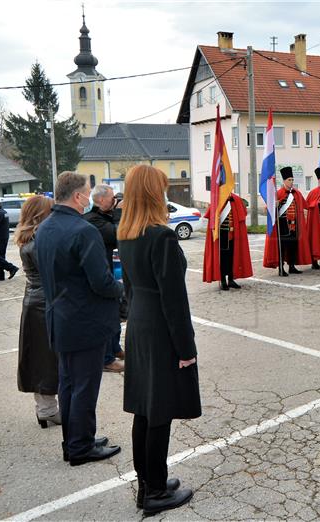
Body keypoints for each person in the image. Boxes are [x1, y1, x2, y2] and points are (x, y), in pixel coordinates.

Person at [117, 165, 198, 515]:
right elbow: (174, 299)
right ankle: (154, 493)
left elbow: (131, 287)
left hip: (139, 324)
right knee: (159, 410)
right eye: (162, 189)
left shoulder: (127, 232)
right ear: (153, 193)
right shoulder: (160, 236)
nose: (166, 195)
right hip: (160, 329)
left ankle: (149, 483)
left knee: (144, 409)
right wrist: (185, 349)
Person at [35, 171, 123, 466]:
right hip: (84, 322)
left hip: (59, 319)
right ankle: (81, 447)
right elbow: (101, 282)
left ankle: (74, 442)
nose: (89, 197)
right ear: (77, 197)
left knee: (68, 384)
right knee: (84, 386)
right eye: (87, 192)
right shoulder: (84, 230)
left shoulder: (45, 226)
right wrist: (124, 289)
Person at [15, 196, 60, 428]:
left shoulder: (28, 237)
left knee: (40, 357)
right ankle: (47, 410)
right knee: (46, 358)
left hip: (34, 300)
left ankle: (45, 409)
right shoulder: (39, 240)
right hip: (43, 303)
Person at [84, 184, 125, 372]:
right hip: (102, 274)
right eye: (111, 198)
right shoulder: (92, 219)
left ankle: (115, 349)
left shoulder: (103, 216)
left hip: (113, 272)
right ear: (100, 200)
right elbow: (118, 234)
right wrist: (118, 212)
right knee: (106, 317)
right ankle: (107, 359)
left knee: (114, 314)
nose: (114, 200)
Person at [262, 167, 311, 276]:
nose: (291, 182)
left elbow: (306, 206)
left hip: (295, 225)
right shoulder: (278, 193)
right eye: (289, 180)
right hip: (283, 225)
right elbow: (267, 209)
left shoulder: (296, 193)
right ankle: (281, 268)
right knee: (282, 248)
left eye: (292, 180)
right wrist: (275, 205)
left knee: (293, 246)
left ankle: (292, 266)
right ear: (284, 181)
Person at [203, 191, 252, 290]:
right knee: (222, 258)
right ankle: (223, 280)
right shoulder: (217, 200)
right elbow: (211, 217)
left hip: (234, 234)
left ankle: (231, 279)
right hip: (221, 235)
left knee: (232, 257)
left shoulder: (236, 199)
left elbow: (243, 213)